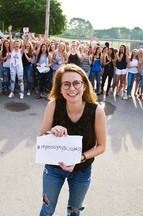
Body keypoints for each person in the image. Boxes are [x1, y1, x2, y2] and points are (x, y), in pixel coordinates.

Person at [39, 64, 106, 216]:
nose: (72, 88)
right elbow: (41, 138)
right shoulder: (53, 105)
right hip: (53, 169)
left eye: (76, 83)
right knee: (47, 208)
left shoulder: (96, 111)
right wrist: (51, 132)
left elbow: (101, 146)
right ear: (60, 88)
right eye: (66, 84)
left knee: (74, 211)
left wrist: (80, 157)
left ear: (84, 85)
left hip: (82, 171)